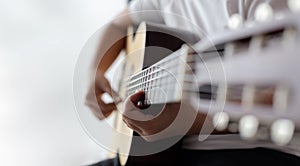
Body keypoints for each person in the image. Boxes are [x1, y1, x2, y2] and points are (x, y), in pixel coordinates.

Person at [85, 0, 300, 165]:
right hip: (169, 151)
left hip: (251, 147)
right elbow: (117, 25)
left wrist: (183, 122)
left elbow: (271, 95)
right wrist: (95, 71)